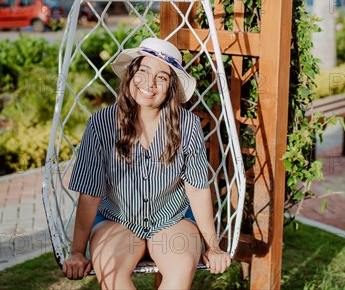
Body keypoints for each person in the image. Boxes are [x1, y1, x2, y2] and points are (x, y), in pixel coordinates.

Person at [62, 38, 231, 289]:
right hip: (116, 219)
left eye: (162, 77)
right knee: (110, 271)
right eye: (143, 71)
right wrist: (77, 251)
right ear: (131, 75)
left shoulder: (188, 125)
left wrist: (214, 247)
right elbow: (90, 193)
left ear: (171, 87)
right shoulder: (101, 124)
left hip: (172, 218)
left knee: (182, 268)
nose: (150, 84)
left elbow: (196, 189)